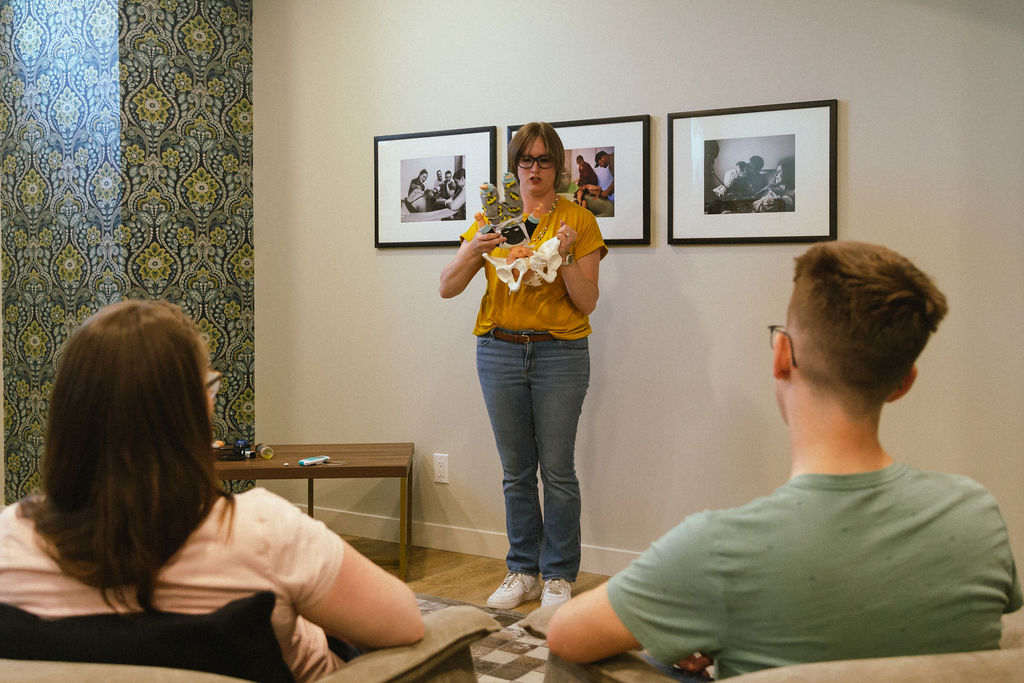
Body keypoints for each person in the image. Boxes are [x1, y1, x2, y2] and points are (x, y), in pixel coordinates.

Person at [546, 241, 1022, 679]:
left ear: (781, 356)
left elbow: (565, 635)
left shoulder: (716, 550)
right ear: (904, 382)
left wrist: (709, 618)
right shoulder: (976, 514)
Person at [0, 300, 424, 683]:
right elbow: (405, 624)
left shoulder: (9, 539)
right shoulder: (268, 533)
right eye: (211, 388)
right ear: (195, 406)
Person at [439, 121, 608, 610]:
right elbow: (448, 287)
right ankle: (522, 571)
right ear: (513, 168)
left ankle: (557, 575)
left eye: (544, 161)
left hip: (560, 352)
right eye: (525, 161)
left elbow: (588, 301)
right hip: (499, 350)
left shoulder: (579, 220)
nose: (534, 170)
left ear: (558, 167)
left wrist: (568, 254)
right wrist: (475, 247)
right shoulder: (494, 217)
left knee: (557, 470)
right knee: (516, 471)